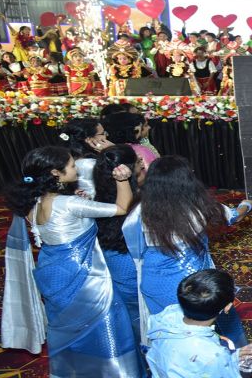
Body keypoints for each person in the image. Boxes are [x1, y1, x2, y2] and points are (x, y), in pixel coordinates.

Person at [4, 146, 140, 376]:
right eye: (71, 165)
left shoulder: (33, 203)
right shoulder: (68, 204)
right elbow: (122, 208)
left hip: (53, 273)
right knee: (104, 322)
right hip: (84, 277)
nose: (76, 168)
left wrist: (79, 200)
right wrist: (123, 180)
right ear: (56, 173)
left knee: (71, 328)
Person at [122, 156, 247, 348]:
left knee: (171, 337)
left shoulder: (139, 212)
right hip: (197, 286)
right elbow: (233, 216)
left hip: (157, 284)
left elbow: (135, 249)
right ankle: (230, 358)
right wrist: (247, 205)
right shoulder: (199, 205)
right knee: (220, 324)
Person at [93, 144, 147, 375]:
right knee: (139, 314)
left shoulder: (98, 199)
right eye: (138, 161)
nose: (143, 164)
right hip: (130, 266)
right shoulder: (133, 203)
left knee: (129, 316)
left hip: (113, 262)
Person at [147, 269, 252, 378]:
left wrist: (233, 358)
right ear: (227, 307)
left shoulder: (167, 314)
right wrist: (227, 361)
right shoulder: (213, 355)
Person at [59, 120, 114, 198]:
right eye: (102, 133)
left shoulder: (69, 158)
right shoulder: (89, 164)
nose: (106, 136)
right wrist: (113, 151)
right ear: (89, 139)